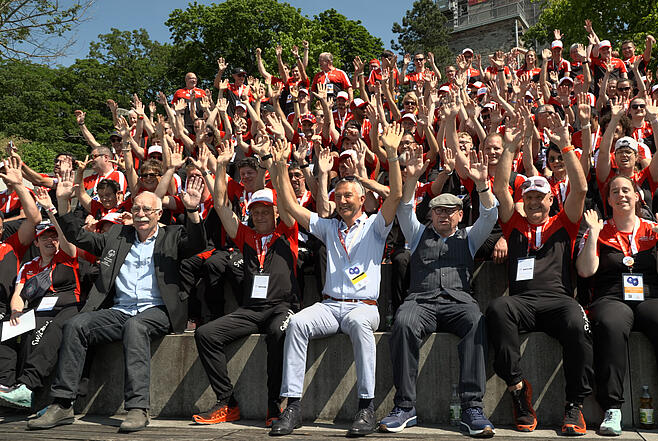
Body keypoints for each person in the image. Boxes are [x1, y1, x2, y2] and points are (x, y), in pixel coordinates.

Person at [28, 183, 207, 433]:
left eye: (147, 209)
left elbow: (197, 244)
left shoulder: (172, 235)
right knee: (76, 325)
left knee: (136, 326)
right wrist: (57, 206)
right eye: (136, 208)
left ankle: (137, 408)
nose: (141, 213)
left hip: (157, 309)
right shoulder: (118, 235)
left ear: (158, 214)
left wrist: (191, 209)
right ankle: (62, 404)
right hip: (120, 310)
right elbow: (80, 237)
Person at [269, 123, 403, 437]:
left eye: (348, 195)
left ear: (362, 198)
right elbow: (289, 206)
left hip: (365, 307)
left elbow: (396, 194)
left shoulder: (375, 226)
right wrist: (279, 166)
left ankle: (366, 407)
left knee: (358, 323)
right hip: (330, 306)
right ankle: (292, 407)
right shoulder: (330, 228)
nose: (342, 200)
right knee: (298, 323)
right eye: (338, 195)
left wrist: (393, 155)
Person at [485, 116, 592, 436]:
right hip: (523, 303)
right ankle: (519, 391)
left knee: (578, 320)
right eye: (528, 197)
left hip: (559, 302)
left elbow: (582, 187)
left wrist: (566, 144)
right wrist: (509, 148)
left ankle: (574, 405)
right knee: (497, 309)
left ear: (550, 200)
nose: (533, 201)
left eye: (539, 197)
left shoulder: (565, 223)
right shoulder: (514, 224)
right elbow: (501, 187)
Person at [380, 147, 498, 437]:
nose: (443, 215)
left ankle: (473, 408)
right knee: (403, 323)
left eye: (450, 211)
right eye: (438, 210)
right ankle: (405, 407)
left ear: (460, 214)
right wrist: (412, 178)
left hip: (459, 302)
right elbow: (405, 208)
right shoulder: (418, 233)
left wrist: (482, 184)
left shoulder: (469, 237)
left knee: (475, 321)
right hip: (421, 300)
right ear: (430, 214)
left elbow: (490, 215)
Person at [575, 180, 658, 437]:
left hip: (651, 296)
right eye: (614, 192)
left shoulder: (654, 228)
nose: (621, 195)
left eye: (626, 190)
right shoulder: (598, 229)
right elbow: (586, 271)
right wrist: (594, 234)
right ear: (608, 200)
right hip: (612, 297)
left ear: (637, 196)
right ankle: (612, 408)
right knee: (610, 324)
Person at [191, 142, 299, 427]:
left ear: (275, 212)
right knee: (205, 334)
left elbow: (288, 204)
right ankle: (227, 402)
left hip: (281, 307)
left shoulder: (287, 230)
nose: (261, 215)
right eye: (256, 211)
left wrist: (277, 165)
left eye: (266, 211)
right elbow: (221, 205)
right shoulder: (246, 236)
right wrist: (220, 167)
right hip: (251, 309)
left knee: (278, 334)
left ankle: (275, 407)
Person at [0, 185, 79, 409]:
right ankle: (6, 386)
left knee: (44, 328)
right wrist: (15, 311)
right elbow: (17, 295)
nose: (50, 241)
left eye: (53, 237)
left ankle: (27, 386)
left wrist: (52, 212)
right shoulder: (29, 266)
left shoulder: (66, 256)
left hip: (67, 307)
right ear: (36, 242)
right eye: (45, 238)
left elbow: (66, 237)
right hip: (37, 310)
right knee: (7, 327)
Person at [0, 157, 43, 389]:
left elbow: (35, 218)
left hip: (6, 311)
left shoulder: (11, 246)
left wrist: (18, 185)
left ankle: (5, 390)